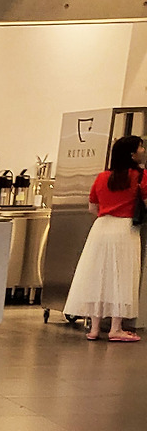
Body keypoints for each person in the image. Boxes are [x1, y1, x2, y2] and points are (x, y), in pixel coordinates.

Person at [68, 134, 144, 342]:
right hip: (125, 229)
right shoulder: (140, 176)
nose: (143, 150)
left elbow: (92, 207)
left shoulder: (102, 177)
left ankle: (94, 328)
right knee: (121, 276)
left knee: (98, 275)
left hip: (100, 228)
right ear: (132, 154)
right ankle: (116, 328)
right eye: (140, 147)